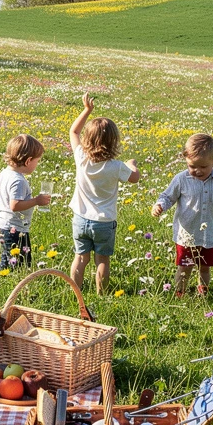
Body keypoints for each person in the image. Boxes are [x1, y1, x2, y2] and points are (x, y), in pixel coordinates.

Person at [151, 133, 213, 297]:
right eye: (192, 166)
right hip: (186, 235)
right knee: (185, 267)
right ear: (186, 159)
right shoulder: (181, 179)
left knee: (205, 267)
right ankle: (180, 293)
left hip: (208, 235)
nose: (197, 171)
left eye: (203, 167)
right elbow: (168, 196)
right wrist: (160, 205)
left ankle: (203, 292)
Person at [68, 93, 139, 294]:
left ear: (87, 140)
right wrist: (132, 165)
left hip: (80, 219)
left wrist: (86, 110)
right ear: (114, 142)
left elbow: (73, 131)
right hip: (104, 222)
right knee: (102, 260)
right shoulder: (116, 167)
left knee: (80, 258)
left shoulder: (81, 157)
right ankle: (102, 294)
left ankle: (76, 293)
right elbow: (135, 178)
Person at [0, 133, 50, 270]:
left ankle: (3, 278)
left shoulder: (6, 173)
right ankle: (7, 282)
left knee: (9, 256)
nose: (37, 164)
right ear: (28, 161)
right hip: (13, 228)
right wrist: (37, 200)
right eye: (37, 160)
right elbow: (15, 205)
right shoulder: (18, 181)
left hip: (2, 223)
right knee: (17, 262)